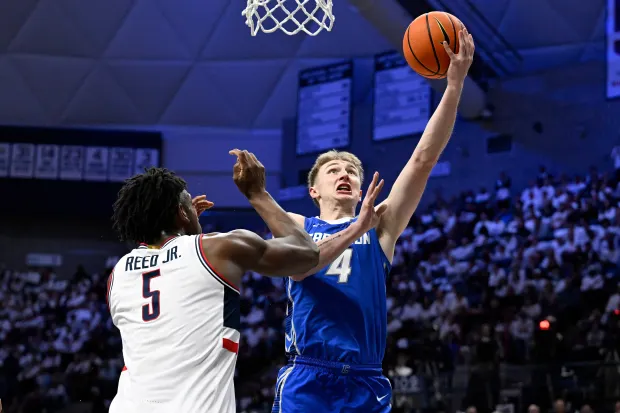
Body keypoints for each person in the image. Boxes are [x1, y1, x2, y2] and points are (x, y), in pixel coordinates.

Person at [272, 29, 476, 412]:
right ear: (313, 190)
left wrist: (454, 85)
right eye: (332, 170)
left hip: (366, 378)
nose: (344, 173)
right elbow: (262, 208)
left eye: (351, 169)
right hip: (309, 375)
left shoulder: (381, 225)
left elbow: (422, 160)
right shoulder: (299, 226)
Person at [107, 150, 322, 413]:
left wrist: (187, 224)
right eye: (187, 204)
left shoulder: (117, 275)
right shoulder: (220, 248)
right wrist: (257, 193)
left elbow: (172, 273)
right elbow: (307, 254)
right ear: (181, 214)